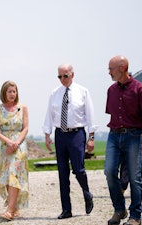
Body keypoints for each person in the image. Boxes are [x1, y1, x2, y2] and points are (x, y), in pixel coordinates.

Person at [104, 55, 142, 225]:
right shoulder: (111, 90)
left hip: (133, 137)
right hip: (113, 135)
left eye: (111, 69)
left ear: (122, 68)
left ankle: (135, 216)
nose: (109, 72)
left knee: (135, 178)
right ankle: (120, 210)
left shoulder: (140, 89)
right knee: (110, 172)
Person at [43, 64, 97, 219]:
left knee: (78, 169)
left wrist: (91, 137)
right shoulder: (54, 93)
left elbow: (90, 115)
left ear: (72, 74)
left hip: (76, 134)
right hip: (60, 134)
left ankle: (87, 193)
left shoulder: (83, 92)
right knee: (62, 173)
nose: (62, 79)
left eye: (65, 76)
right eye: (59, 76)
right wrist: (47, 134)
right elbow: (49, 115)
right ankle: (66, 209)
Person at [0, 80, 29, 221]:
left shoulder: (23, 108)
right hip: (4, 145)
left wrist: (16, 143)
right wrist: (8, 142)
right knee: (7, 176)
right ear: (4, 93)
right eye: (10, 91)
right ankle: (14, 207)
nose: (12, 94)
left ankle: (9, 210)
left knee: (15, 174)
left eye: (14, 91)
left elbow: (25, 128)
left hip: (19, 145)